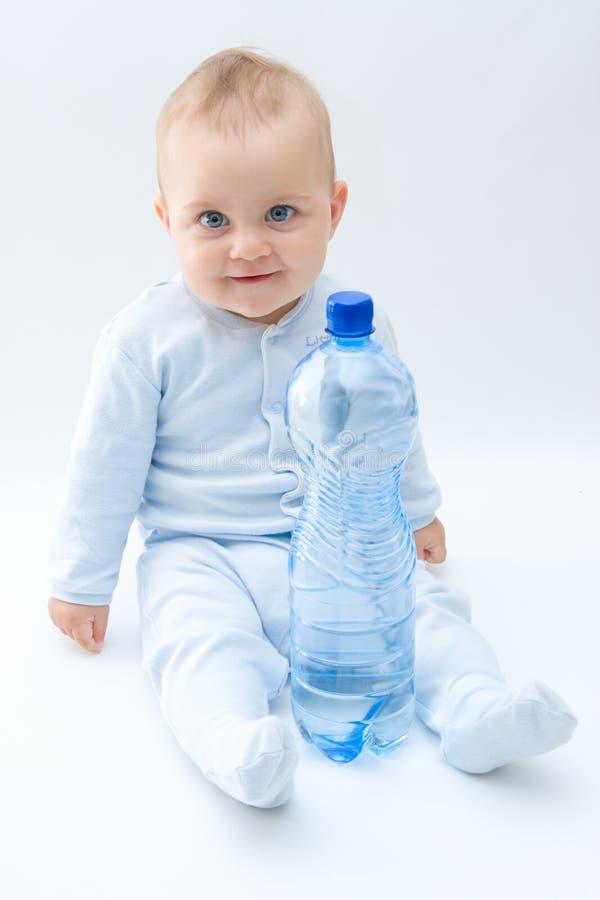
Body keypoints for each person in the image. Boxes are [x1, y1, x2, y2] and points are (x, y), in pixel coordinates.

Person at [47, 47, 577, 808]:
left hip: (336, 531)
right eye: (212, 219)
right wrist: (81, 580)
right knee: (196, 641)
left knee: (419, 610)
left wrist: (417, 510)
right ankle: (235, 742)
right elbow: (104, 467)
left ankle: (473, 705)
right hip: (200, 549)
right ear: (167, 220)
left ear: (335, 208)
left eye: (281, 213)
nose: (249, 244)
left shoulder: (354, 327)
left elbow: (392, 428)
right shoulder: (145, 340)